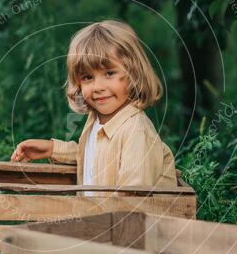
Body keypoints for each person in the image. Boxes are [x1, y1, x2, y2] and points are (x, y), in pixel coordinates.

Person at [10, 20, 177, 194]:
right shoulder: (96, 120)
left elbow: (132, 200)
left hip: (126, 219)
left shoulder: (135, 131)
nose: (98, 87)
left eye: (109, 73)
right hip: (99, 217)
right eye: (88, 77)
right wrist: (52, 149)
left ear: (133, 74)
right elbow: (98, 157)